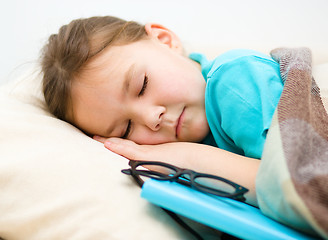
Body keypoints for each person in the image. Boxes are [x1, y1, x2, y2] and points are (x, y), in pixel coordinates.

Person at [41, 16, 284, 206]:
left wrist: (187, 156)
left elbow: (292, 187)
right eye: (126, 129)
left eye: (141, 86)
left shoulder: (234, 78)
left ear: (165, 41)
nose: (151, 118)